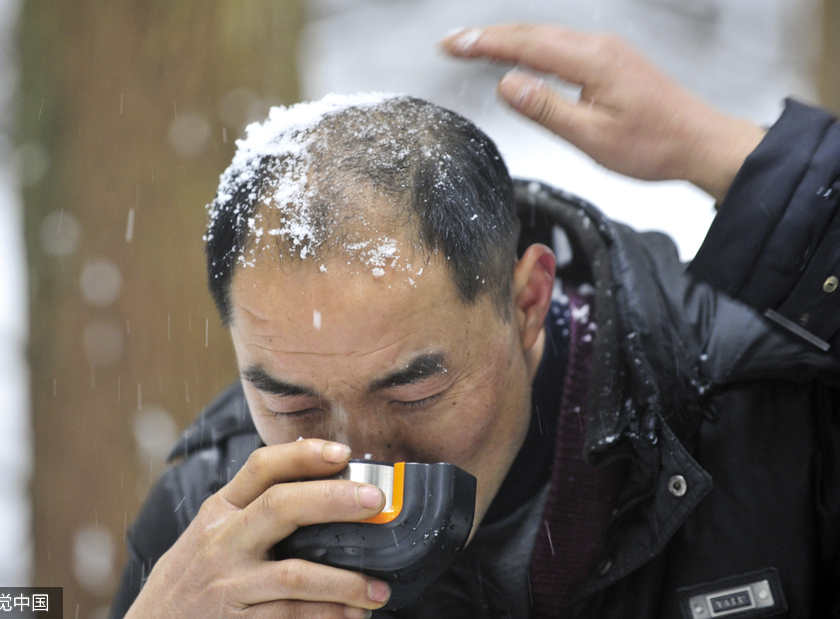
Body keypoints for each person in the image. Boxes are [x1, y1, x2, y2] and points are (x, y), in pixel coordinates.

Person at [110, 25, 840, 619]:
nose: (361, 464)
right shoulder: (206, 528)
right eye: (291, 403)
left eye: (413, 395)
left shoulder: (756, 403)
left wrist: (735, 157)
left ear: (528, 303)